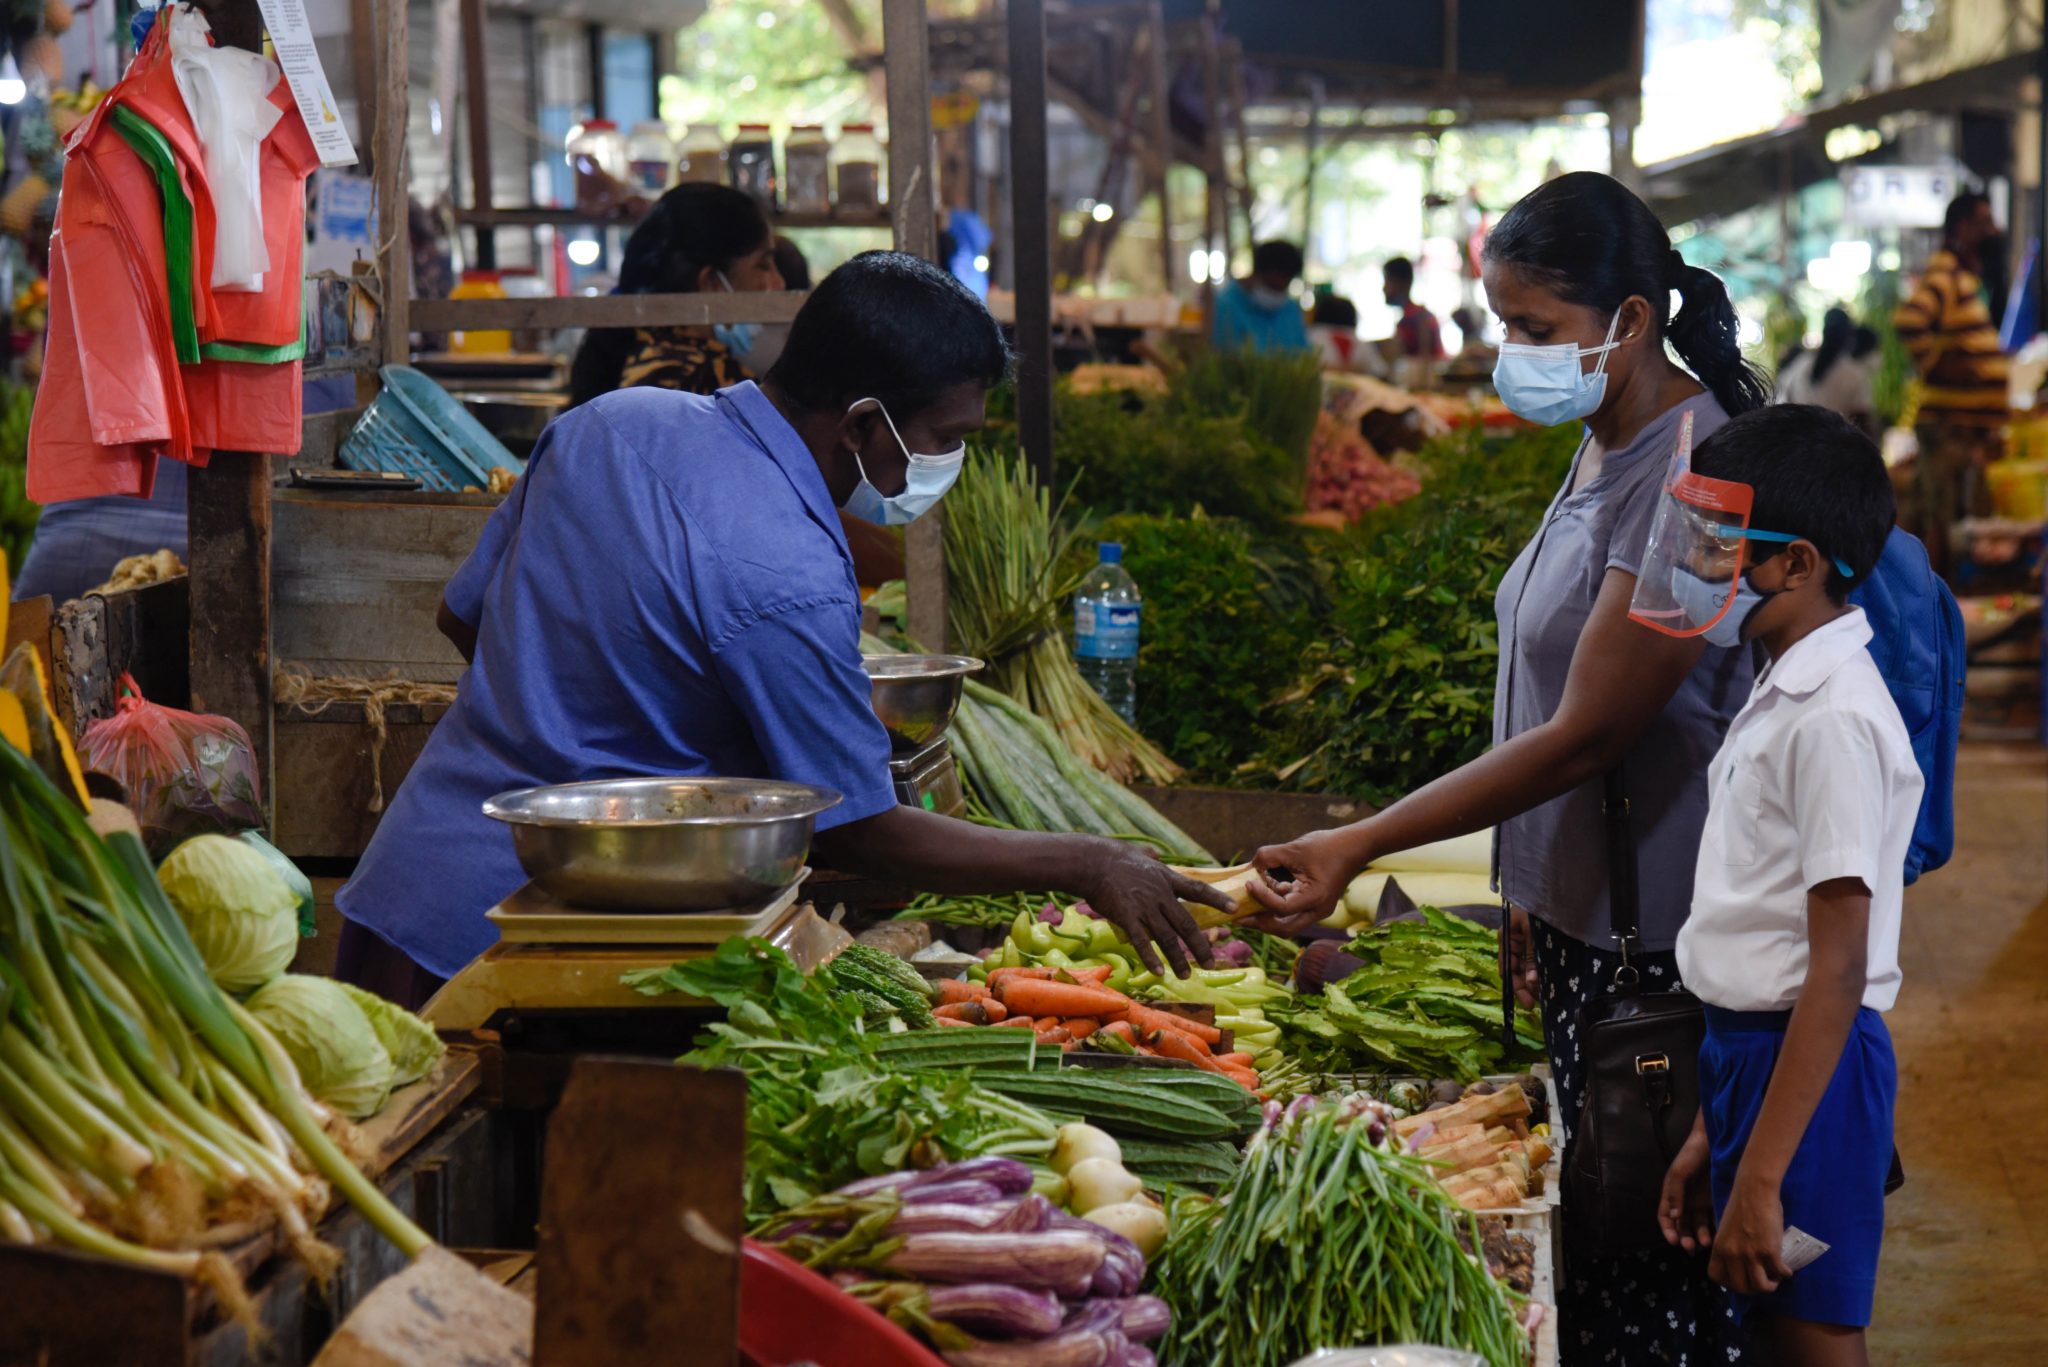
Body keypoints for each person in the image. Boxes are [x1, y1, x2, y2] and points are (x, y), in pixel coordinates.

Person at [335, 253, 1224, 1007]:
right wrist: (1087, 862)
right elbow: (860, 827)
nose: (952, 462)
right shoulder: (786, 572)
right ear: (865, 424)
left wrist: (577, 725)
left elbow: (464, 614)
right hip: (530, 954)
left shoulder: (611, 423)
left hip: (410, 888)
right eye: (946, 438)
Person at [1246, 170, 1770, 1364]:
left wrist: (1358, 839)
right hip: (1588, 923)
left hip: (1663, 946)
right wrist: (1524, 887)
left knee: (1652, 1281)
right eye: (1500, 325)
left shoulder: (1708, 483)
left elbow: (1592, 726)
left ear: (1629, 321)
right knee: (1600, 1258)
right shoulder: (1605, 442)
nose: (1509, 354)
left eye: (1534, 330)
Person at [1653, 404, 1916, 1367]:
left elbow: (1836, 970)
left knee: (1814, 1337)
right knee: (1771, 1327)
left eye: (1723, 546)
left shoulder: (1834, 720)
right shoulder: (1784, 681)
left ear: (1798, 564)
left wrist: (1761, 1174)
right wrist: (1712, 1131)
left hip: (1810, 1064)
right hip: (1752, 1064)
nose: (1699, 567)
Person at [566, 183, 784, 409]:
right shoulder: (701, 378)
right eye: (763, 265)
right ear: (710, 281)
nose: (779, 283)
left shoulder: (634, 357)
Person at [1893, 190, 2010, 578]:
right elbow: (1909, 321)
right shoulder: (1945, 271)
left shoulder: (1961, 273)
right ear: (1963, 226)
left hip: (1959, 428)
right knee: (1938, 519)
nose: (1992, 230)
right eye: (1984, 221)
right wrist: (1940, 364)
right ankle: (1935, 600)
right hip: (1948, 426)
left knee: (1945, 518)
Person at [1775, 307, 1879, 437]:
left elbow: (1785, 400)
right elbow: (1863, 420)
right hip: (1837, 449)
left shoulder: (1801, 364)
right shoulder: (1853, 373)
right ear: (1848, 336)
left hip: (1800, 445)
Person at [1210, 240, 1311, 354]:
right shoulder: (1226, 306)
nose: (1276, 294)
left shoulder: (1291, 310)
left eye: (1283, 288)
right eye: (1272, 286)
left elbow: (1304, 354)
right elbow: (1224, 354)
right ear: (1257, 274)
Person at [1382, 256, 1445, 361]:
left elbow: (1426, 360)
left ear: (1401, 283)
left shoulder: (1419, 318)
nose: (1383, 288)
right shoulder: (1414, 316)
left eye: (1386, 281)